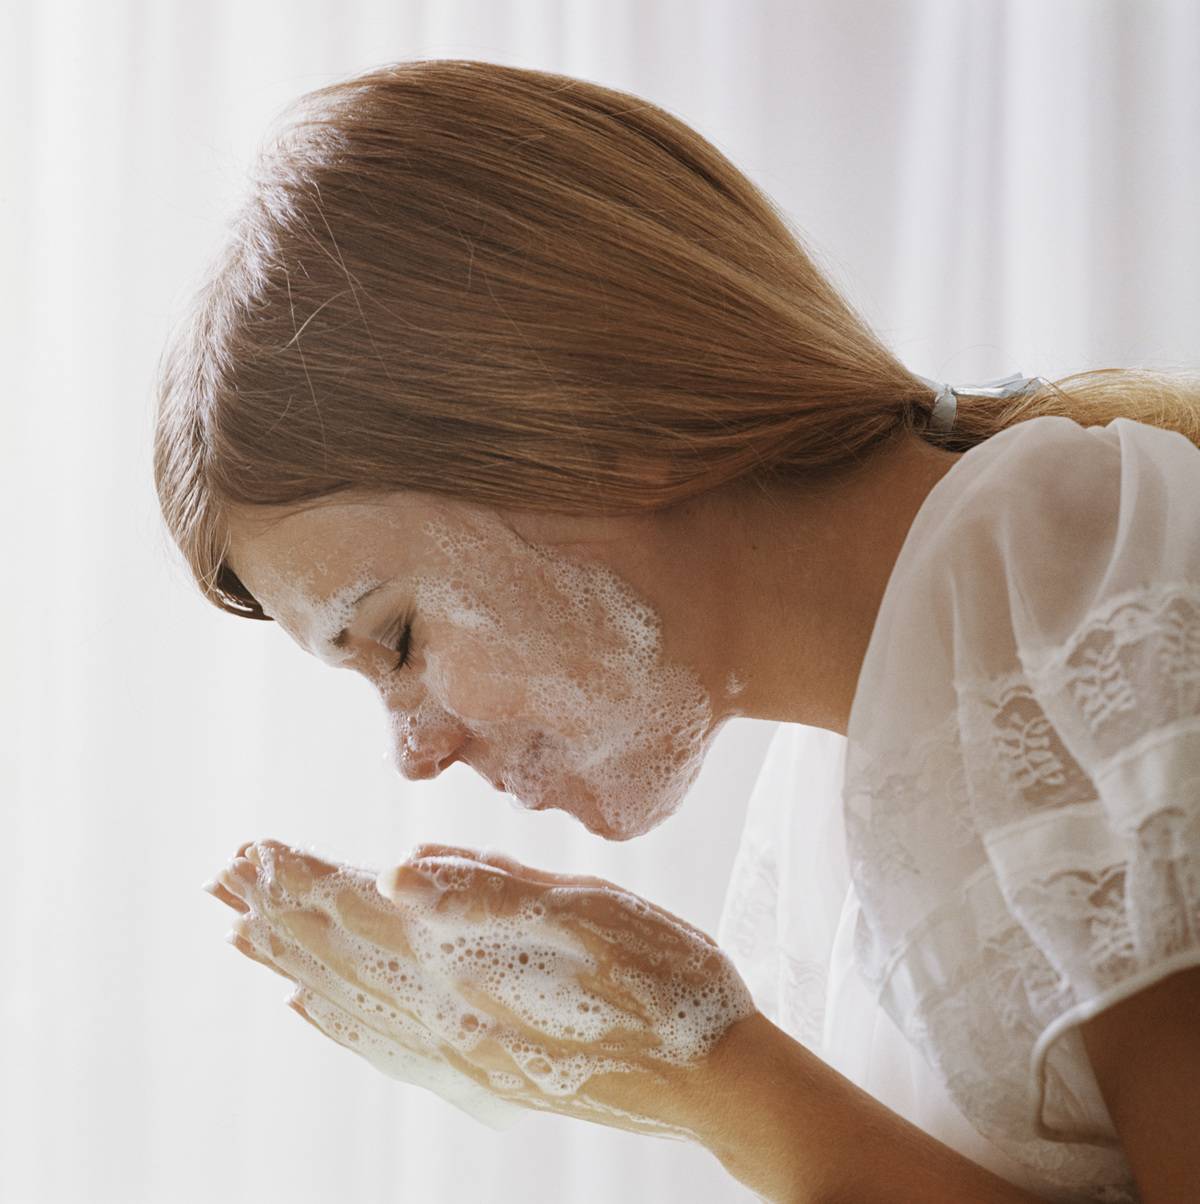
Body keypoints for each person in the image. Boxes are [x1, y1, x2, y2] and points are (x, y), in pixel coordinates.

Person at [155, 58, 1200, 1203]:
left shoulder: (1079, 594)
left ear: (600, 423)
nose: (415, 751)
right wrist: (686, 1070)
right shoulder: (855, 767)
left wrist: (715, 1079)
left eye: (396, 638)